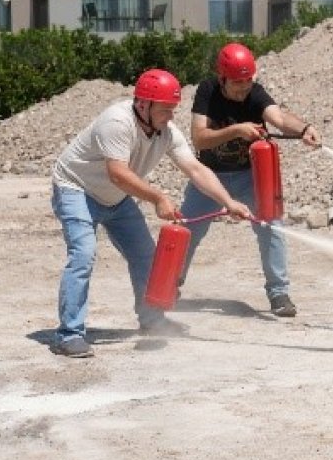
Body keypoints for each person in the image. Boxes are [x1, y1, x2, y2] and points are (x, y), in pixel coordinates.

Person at [50, 68, 253, 357]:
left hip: (115, 197)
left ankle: (152, 319)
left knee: (146, 256)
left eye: (173, 109)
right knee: (83, 254)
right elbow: (118, 173)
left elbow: (195, 168)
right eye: (166, 109)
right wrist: (158, 198)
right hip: (76, 188)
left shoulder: (166, 133)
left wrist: (228, 202)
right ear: (143, 104)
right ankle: (69, 335)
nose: (171, 116)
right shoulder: (117, 122)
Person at [178, 43, 320, 318]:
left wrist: (304, 129)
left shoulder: (255, 94)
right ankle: (171, 284)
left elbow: (277, 118)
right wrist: (236, 131)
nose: (243, 88)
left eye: (247, 80)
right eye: (237, 82)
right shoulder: (207, 91)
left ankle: (279, 293)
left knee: (271, 227)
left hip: (249, 177)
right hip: (210, 176)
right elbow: (199, 138)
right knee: (188, 230)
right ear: (222, 78)